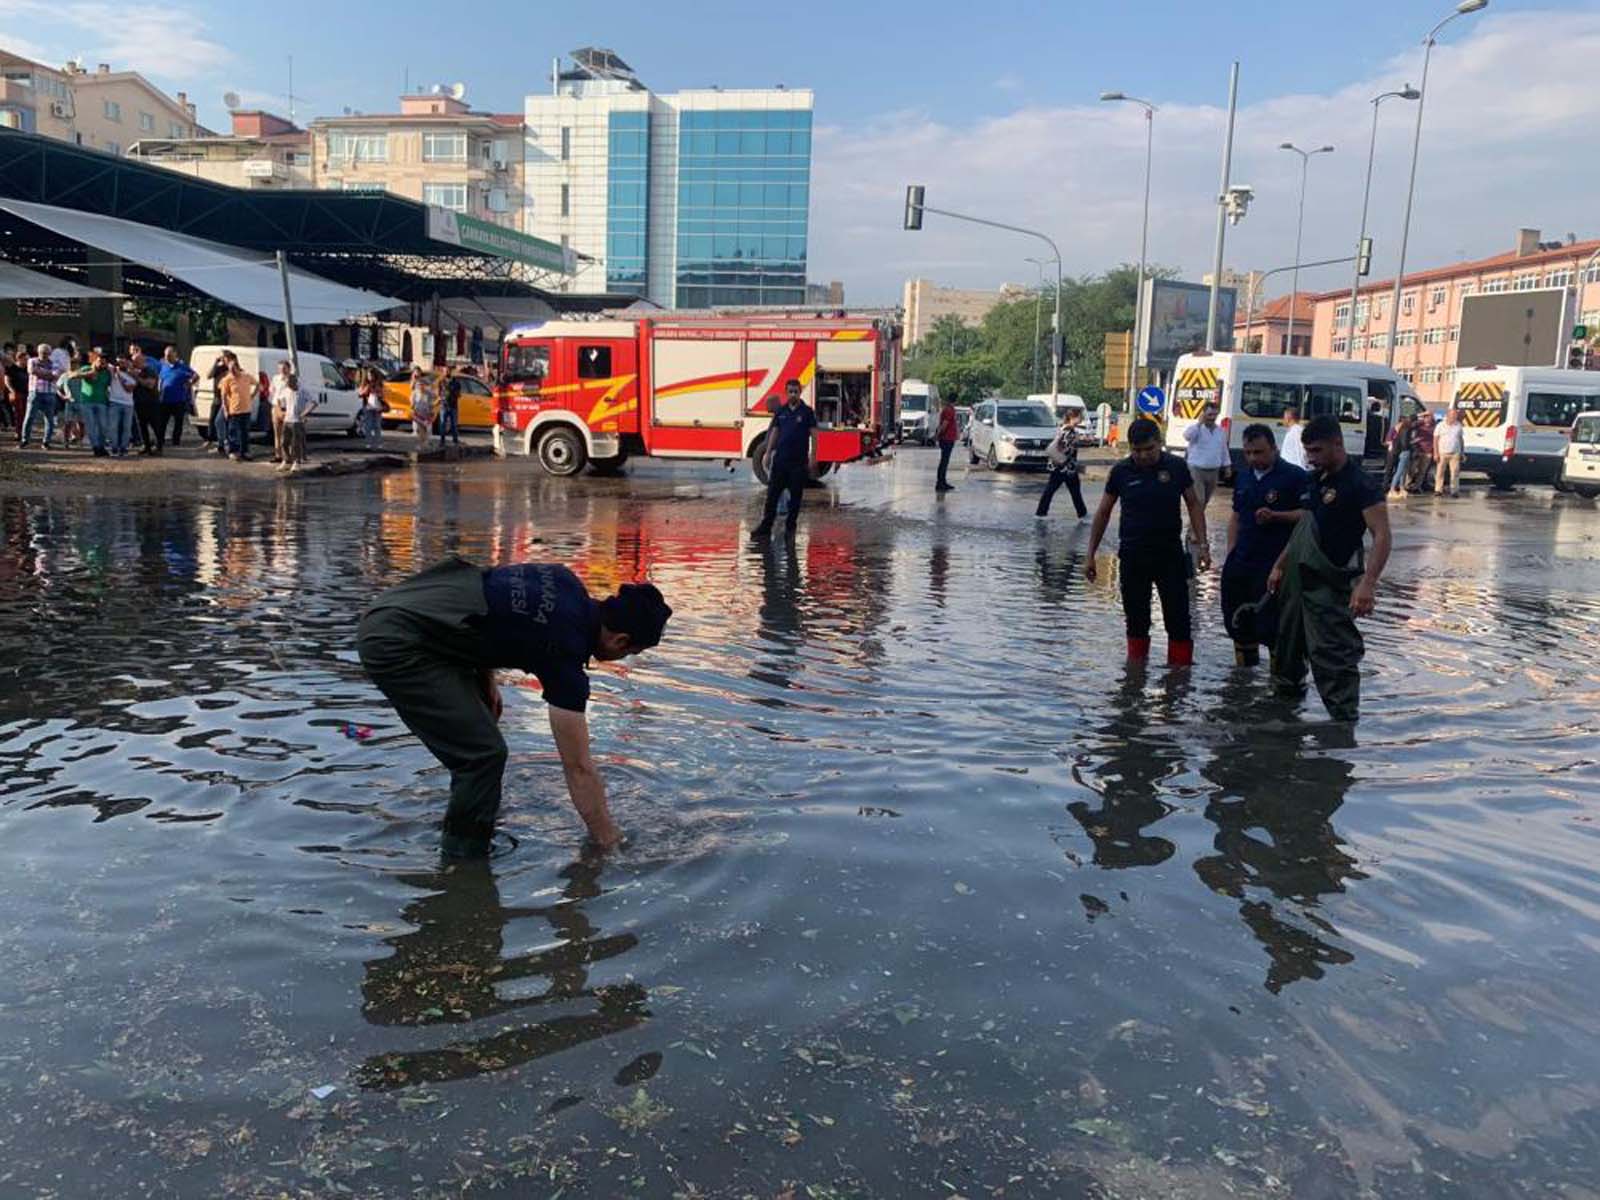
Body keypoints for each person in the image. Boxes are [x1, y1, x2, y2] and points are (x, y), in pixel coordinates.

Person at [356, 557, 671, 856]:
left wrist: (485, 677)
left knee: (485, 722)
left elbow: (494, 600)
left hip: (409, 601)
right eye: (632, 653)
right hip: (395, 639)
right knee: (483, 757)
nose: (624, 659)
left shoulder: (563, 580)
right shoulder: (565, 654)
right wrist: (608, 841)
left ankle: (476, 814)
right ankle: (463, 864)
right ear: (620, 641)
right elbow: (578, 768)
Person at [1267, 415, 1391, 722]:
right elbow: (1305, 528)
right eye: (1307, 451)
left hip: (1331, 581)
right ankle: (1285, 720)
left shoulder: (1360, 484)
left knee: (1333, 655)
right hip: (1298, 578)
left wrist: (1368, 584)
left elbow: (1382, 535)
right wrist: (1279, 565)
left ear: (1338, 443)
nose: (1311, 457)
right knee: (1287, 648)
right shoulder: (1314, 480)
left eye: (1317, 450)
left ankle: (1343, 729)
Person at [1085, 417, 1211, 666]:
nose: (1143, 455)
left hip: (1170, 556)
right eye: (1136, 450)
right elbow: (1103, 513)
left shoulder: (1176, 467)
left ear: (1160, 444)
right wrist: (1090, 555)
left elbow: (1194, 505)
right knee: (1136, 620)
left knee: (1178, 620)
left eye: (1149, 449)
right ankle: (1134, 678)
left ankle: (1179, 681)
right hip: (1133, 556)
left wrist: (1203, 546)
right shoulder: (1121, 471)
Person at [1221, 424, 1308, 666]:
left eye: (1258, 452)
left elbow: (1309, 516)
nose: (1252, 458)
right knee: (1239, 622)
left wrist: (1277, 516)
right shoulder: (1244, 476)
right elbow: (1236, 517)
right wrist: (1231, 553)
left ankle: (1280, 685)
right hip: (1242, 560)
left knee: (1274, 626)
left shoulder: (1294, 477)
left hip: (1275, 563)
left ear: (1274, 448)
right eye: (1248, 453)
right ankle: (1243, 681)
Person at [751, 378, 818, 541]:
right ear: (786, 392)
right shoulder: (781, 411)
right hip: (780, 461)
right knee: (772, 496)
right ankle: (765, 527)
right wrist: (767, 453)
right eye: (790, 391)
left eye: (796, 391)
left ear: (800, 392)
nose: (793, 394)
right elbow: (775, 432)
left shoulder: (807, 412)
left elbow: (814, 435)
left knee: (795, 498)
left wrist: (813, 457)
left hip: (798, 462)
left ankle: (790, 528)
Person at [1183, 402, 1231, 543]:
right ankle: (1193, 532)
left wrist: (1227, 466)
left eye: (1215, 415)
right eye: (1209, 414)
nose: (1212, 418)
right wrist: (1199, 423)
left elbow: (1223, 449)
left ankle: (1192, 527)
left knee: (1204, 503)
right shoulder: (1196, 429)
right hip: (1196, 469)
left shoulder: (1220, 431)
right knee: (1199, 501)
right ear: (1203, 413)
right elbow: (1187, 436)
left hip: (1213, 470)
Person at [1036, 407, 1088, 519]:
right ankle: (1082, 514)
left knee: (1053, 490)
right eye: (1079, 417)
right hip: (1065, 466)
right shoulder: (1070, 431)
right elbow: (1067, 448)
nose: (1081, 419)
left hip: (1059, 465)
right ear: (1072, 417)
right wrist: (1077, 442)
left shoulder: (1062, 428)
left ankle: (1041, 512)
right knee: (1072, 491)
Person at [69, 347, 113, 456]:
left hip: (102, 401)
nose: (101, 364)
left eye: (103, 362)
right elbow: (71, 375)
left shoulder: (107, 373)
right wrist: (87, 374)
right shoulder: (86, 368)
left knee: (103, 426)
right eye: (99, 361)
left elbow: (111, 384)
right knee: (91, 425)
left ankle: (101, 446)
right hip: (87, 402)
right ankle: (96, 448)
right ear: (95, 360)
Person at [20, 342, 59, 449]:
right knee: (29, 417)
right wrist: (48, 374)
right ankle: (25, 440)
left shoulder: (54, 363)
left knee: (49, 420)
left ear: (49, 353)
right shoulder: (32, 361)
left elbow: (55, 376)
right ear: (38, 352)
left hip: (50, 393)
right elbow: (32, 371)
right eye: (42, 352)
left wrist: (40, 372)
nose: (44, 354)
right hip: (35, 392)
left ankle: (46, 442)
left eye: (46, 353)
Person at [219, 351, 257, 460]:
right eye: (230, 370)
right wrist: (225, 409)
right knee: (233, 432)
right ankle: (233, 451)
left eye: (233, 369)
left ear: (237, 367)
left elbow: (258, 385)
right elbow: (224, 396)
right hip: (234, 409)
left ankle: (245, 451)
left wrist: (252, 395)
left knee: (245, 432)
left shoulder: (246, 376)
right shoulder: (228, 379)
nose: (232, 372)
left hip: (246, 409)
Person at [124, 343, 162, 454]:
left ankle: (159, 447)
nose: (134, 364)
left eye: (136, 362)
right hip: (139, 403)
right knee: (142, 426)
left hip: (151, 403)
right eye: (133, 361)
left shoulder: (149, 370)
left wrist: (136, 377)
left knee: (155, 425)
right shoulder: (135, 371)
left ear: (141, 361)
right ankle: (146, 446)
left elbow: (150, 384)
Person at [157, 347, 197, 448]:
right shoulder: (163, 366)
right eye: (166, 355)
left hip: (179, 400)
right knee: (162, 422)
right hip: (165, 399)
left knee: (178, 423)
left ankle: (176, 441)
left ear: (175, 354)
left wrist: (189, 383)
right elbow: (160, 379)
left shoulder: (182, 366)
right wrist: (159, 390)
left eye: (169, 355)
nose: (167, 357)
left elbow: (195, 375)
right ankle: (160, 441)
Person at [278, 370, 317, 472]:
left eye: (289, 383)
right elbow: (279, 400)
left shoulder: (302, 391)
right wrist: (281, 411)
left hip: (297, 421)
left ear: (294, 382)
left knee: (296, 443)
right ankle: (286, 460)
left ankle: (297, 461)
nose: (288, 385)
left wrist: (304, 413)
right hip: (287, 419)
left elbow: (314, 402)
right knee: (284, 442)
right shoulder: (286, 391)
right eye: (287, 384)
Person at [106, 353, 137, 456]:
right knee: (113, 426)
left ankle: (124, 448)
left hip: (128, 404)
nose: (120, 364)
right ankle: (114, 447)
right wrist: (114, 368)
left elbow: (129, 389)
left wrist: (119, 375)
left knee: (126, 427)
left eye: (123, 362)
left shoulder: (133, 375)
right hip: (114, 402)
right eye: (119, 362)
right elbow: (105, 365)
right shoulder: (113, 371)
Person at [56, 352, 86, 448]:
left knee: (81, 423)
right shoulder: (64, 375)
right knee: (68, 422)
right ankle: (66, 441)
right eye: (71, 364)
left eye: (75, 364)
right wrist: (62, 396)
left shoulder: (82, 375)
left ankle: (80, 440)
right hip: (69, 402)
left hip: (81, 401)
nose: (73, 366)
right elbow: (57, 388)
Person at [1434, 407, 1464, 497]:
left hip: (1455, 453)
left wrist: (1462, 452)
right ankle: (1438, 490)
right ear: (1447, 415)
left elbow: (1461, 439)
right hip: (1442, 452)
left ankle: (1454, 491)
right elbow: (1435, 439)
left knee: (1455, 472)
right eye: (1452, 415)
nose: (1454, 417)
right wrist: (1436, 453)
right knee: (1440, 472)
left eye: (1455, 415)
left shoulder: (1458, 425)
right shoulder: (1440, 425)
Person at [269, 361, 294, 463]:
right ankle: (278, 455)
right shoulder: (275, 378)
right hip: (276, 406)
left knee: (288, 434)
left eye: (284, 368)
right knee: (277, 433)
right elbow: (271, 391)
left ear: (289, 368)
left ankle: (289, 456)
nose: (282, 371)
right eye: (280, 368)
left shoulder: (292, 379)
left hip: (287, 408)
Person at [1385, 413, 1414, 500]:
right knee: (1400, 471)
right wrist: (1411, 444)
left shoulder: (1401, 428)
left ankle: (1401, 489)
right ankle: (1392, 489)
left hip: (1400, 451)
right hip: (1404, 451)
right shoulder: (1406, 429)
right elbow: (1404, 442)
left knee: (1403, 472)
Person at [934, 396, 959, 492]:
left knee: (944, 461)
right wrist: (938, 434)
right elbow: (945, 424)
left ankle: (942, 481)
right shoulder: (949, 410)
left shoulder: (948, 409)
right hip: (947, 439)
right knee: (944, 461)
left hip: (948, 438)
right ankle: (940, 483)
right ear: (955, 401)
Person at [1407, 410, 1436, 493]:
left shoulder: (1435, 426)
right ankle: (1407, 485)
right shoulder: (1419, 424)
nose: (1428, 419)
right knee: (1411, 469)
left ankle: (1416, 487)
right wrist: (1421, 414)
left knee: (1422, 471)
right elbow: (1409, 422)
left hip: (1428, 451)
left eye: (1430, 417)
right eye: (1426, 417)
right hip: (1418, 450)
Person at [207, 355, 230, 454]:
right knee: (213, 420)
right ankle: (211, 440)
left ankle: (224, 443)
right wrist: (215, 363)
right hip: (217, 397)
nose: (222, 360)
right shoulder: (218, 368)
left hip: (228, 399)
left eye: (224, 358)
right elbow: (208, 375)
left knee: (223, 421)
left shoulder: (232, 369)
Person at [409, 367, 435, 452]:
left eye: (423, 385)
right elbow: (412, 402)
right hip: (418, 413)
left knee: (427, 430)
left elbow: (432, 399)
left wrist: (431, 411)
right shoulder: (414, 391)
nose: (421, 386)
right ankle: (421, 444)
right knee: (419, 430)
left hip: (426, 413)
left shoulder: (428, 392)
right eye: (419, 385)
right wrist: (412, 409)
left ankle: (426, 444)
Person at [359, 365, 385, 450]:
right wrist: (366, 389)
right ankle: (369, 443)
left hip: (377, 407)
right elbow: (360, 394)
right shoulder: (364, 384)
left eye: (372, 375)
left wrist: (378, 393)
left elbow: (383, 394)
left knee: (377, 425)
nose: (370, 377)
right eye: (369, 375)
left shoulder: (379, 384)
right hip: (368, 407)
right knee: (368, 425)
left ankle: (378, 443)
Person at [0, 343, 24, 434]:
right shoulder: (5, 357)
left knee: (7, 405)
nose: (12, 352)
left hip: (5, 383)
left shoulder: (8, 359)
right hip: (4, 382)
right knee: (5, 405)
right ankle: (8, 423)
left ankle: (10, 424)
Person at [439, 366, 462, 447]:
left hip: (453, 406)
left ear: (450, 372)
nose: (446, 372)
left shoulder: (456, 382)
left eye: (448, 371)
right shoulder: (441, 382)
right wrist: (441, 398)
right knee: (442, 424)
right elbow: (438, 393)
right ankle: (442, 441)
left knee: (454, 424)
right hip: (443, 405)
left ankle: (455, 441)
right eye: (445, 371)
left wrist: (453, 393)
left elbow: (459, 394)